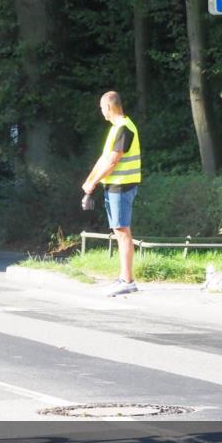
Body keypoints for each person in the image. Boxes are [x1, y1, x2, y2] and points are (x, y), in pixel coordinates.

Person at [82, 91, 141, 296]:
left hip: (122, 186)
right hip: (116, 186)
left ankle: (127, 280)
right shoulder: (116, 129)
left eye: (101, 108)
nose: (101, 112)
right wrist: (90, 182)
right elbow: (104, 159)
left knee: (123, 232)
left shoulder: (124, 128)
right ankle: (124, 278)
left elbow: (113, 162)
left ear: (109, 107)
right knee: (119, 231)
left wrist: (94, 182)